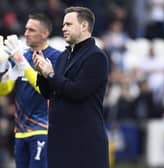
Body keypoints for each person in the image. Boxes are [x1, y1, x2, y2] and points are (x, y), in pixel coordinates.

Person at [33, 6, 110, 168]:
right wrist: (41, 73)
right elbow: (49, 93)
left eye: (68, 24)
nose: (63, 28)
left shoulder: (96, 56)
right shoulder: (63, 56)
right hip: (60, 141)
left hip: (84, 143)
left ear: (84, 26)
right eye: (63, 25)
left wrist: (51, 75)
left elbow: (77, 91)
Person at [0, 13, 60, 168]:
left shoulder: (55, 57)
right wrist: (3, 66)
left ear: (45, 33)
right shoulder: (22, 56)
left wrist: (21, 62)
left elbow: (45, 89)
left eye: (32, 30)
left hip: (43, 129)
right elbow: (4, 90)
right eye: (26, 29)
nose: (26, 33)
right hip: (20, 130)